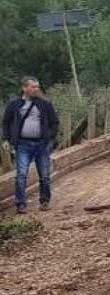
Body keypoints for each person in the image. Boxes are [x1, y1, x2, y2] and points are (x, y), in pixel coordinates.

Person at [2, 77, 60, 215]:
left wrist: (50, 137)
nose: (36, 89)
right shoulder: (14, 105)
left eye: (37, 87)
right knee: (21, 174)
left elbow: (54, 122)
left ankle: (44, 200)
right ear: (24, 88)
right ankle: (21, 203)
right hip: (23, 144)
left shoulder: (45, 104)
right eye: (33, 87)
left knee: (44, 175)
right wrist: (6, 138)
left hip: (41, 143)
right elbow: (6, 122)